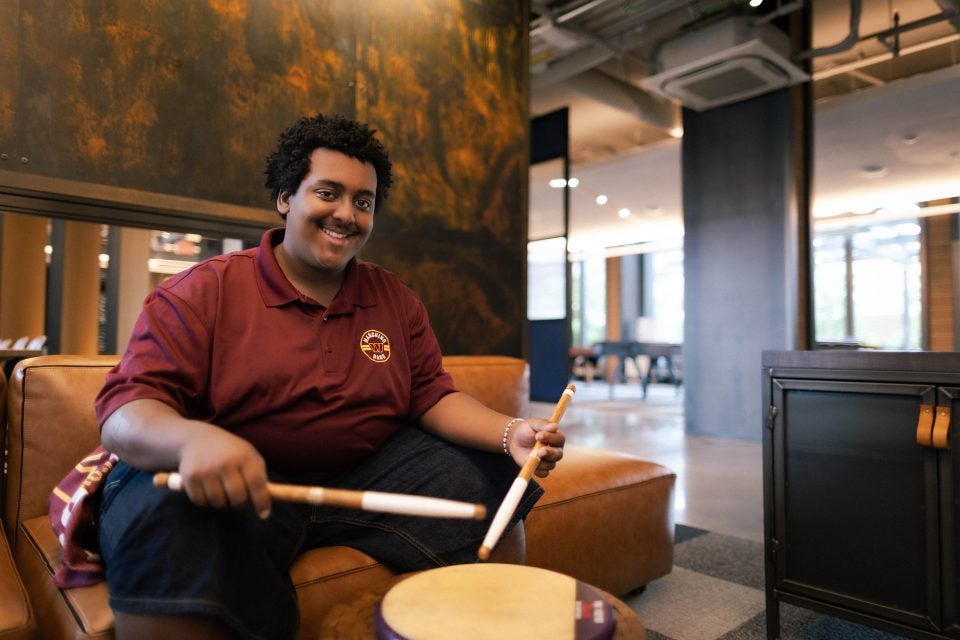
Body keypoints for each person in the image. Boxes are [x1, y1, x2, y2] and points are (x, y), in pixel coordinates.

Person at [94, 113, 566, 640]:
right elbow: (125, 409)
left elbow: (430, 395)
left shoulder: (395, 298)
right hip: (245, 483)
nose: (346, 214)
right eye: (327, 193)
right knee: (165, 516)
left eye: (364, 202)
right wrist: (191, 441)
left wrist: (510, 432)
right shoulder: (202, 291)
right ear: (285, 198)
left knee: (486, 480)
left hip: (362, 470)